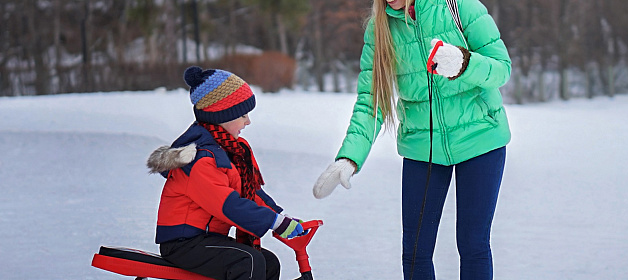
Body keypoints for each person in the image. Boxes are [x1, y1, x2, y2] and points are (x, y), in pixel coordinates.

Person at [313, 0, 511, 279]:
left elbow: (501, 69)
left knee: (472, 244)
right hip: (423, 146)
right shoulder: (380, 28)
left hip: (480, 137)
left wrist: (464, 63)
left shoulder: (459, 6)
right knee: (416, 250)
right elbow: (372, 99)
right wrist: (350, 156)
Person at [147, 66, 305, 280]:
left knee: (268, 263)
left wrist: (281, 217)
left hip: (207, 239)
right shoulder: (200, 160)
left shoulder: (229, 152)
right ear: (221, 115)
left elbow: (249, 193)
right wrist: (273, 221)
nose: (248, 122)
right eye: (242, 115)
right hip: (184, 244)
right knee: (247, 261)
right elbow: (228, 204)